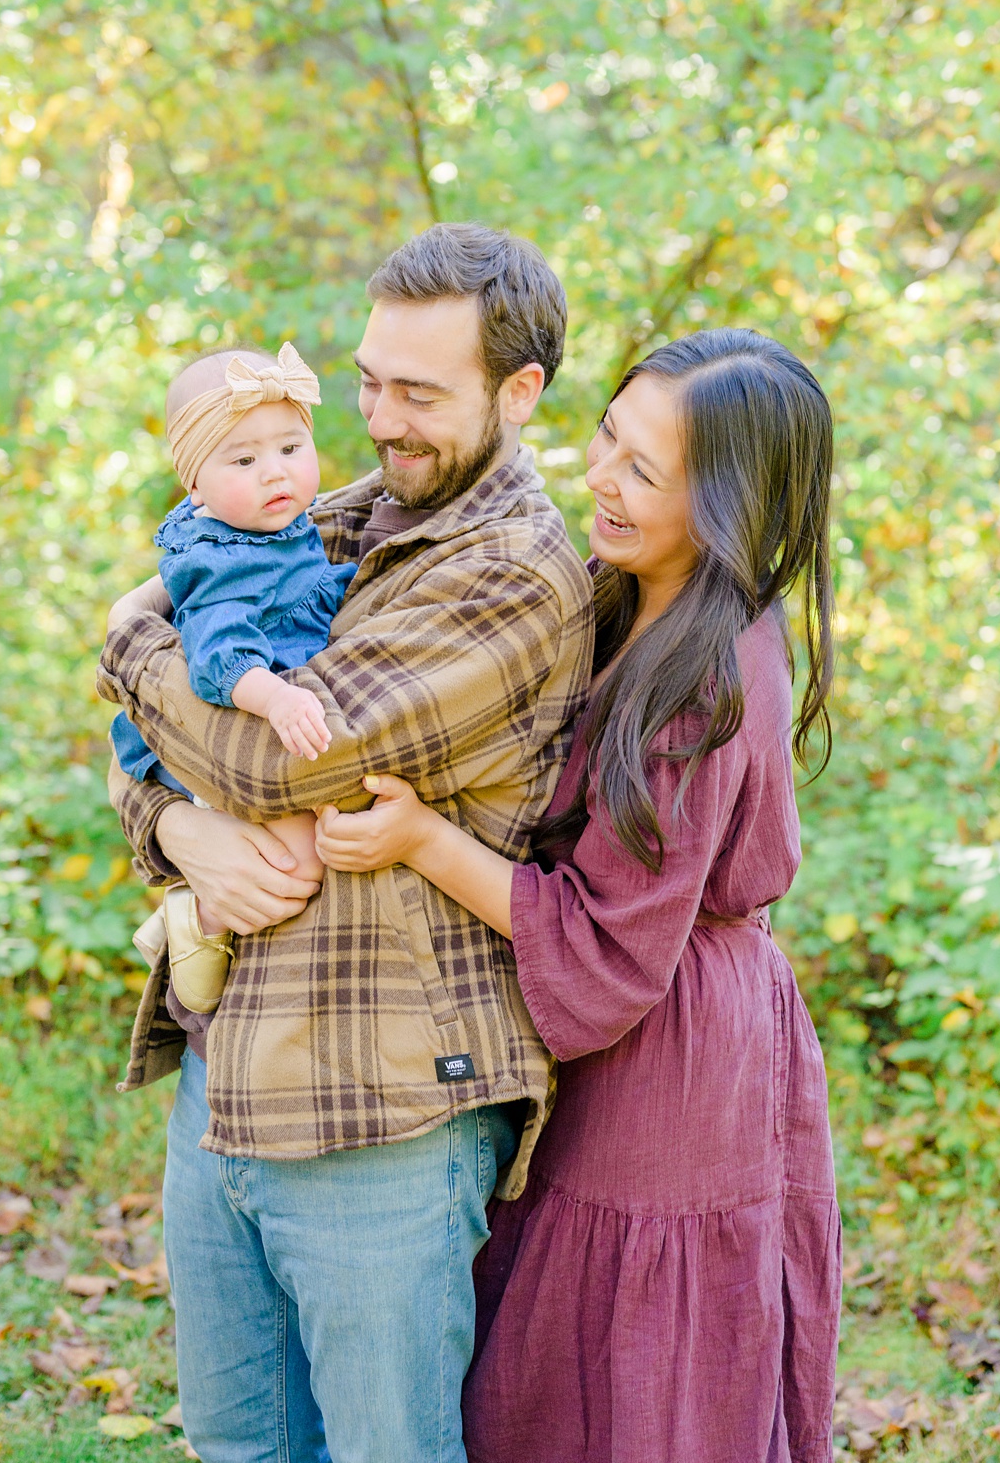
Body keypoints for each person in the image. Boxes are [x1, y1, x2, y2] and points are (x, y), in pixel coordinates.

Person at [98, 224, 594, 1463]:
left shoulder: (515, 574)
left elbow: (278, 756)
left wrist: (121, 640)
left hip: (380, 1106)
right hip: (232, 1067)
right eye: (369, 380)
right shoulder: (346, 510)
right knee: (239, 1446)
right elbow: (167, 731)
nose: (381, 418)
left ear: (518, 392)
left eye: (418, 392)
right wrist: (178, 826)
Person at [313, 330, 840, 1461]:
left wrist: (419, 837)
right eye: (610, 433)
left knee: (631, 1355)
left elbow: (607, 942)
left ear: (729, 507)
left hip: (673, 1048)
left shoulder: (709, 672)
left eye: (644, 471)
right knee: (563, 1335)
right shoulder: (620, 593)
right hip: (636, 1014)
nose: (601, 474)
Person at [111, 344, 350, 1016]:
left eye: (291, 447)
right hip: (214, 735)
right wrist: (275, 696)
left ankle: (184, 912)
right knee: (300, 860)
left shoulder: (280, 526)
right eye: (243, 461)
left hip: (247, 724)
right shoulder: (219, 561)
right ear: (197, 489)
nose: (275, 472)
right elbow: (220, 658)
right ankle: (201, 920)